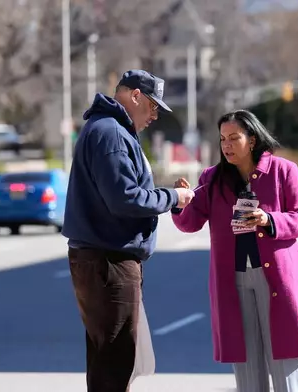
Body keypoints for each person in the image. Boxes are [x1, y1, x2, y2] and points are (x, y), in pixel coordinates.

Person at [62, 69, 195, 392]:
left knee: (107, 357)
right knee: (115, 361)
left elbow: (124, 193)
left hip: (100, 258)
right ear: (135, 96)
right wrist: (173, 197)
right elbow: (124, 198)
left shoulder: (106, 129)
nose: (154, 116)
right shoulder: (111, 133)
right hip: (109, 260)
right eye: (153, 107)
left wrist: (165, 198)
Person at [171, 110, 298, 392]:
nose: (226, 145)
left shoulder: (282, 170)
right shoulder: (212, 178)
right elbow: (190, 224)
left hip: (277, 279)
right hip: (234, 281)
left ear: (251, 139)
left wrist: (270, 219)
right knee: (248, 368)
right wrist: (181, 203)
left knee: (287, 361)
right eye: (222, 138)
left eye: (233, 138)